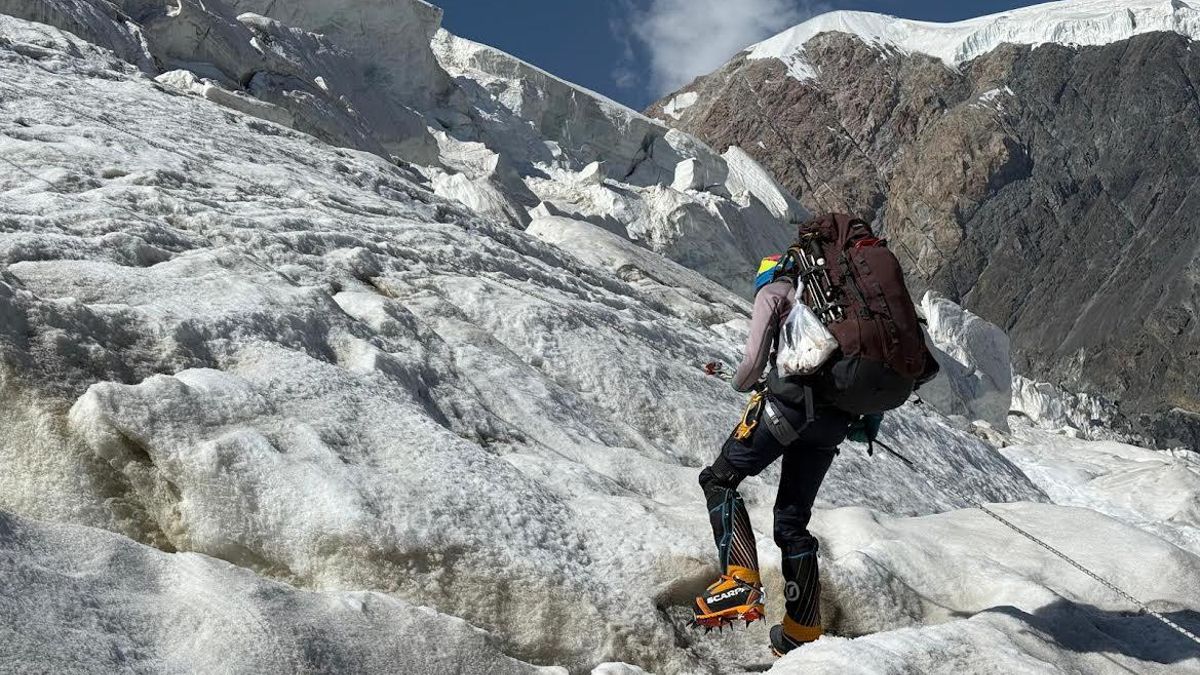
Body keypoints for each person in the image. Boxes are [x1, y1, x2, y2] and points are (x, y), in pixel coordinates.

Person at [693, 254, 855, 656]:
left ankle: (740, 580)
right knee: (792, 521)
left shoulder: (775, 292)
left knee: (718, 480)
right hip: (832, 426)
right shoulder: (838, 308)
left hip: (788, 409)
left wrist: (740, 382)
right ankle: (801, 629)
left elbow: (750, 365)